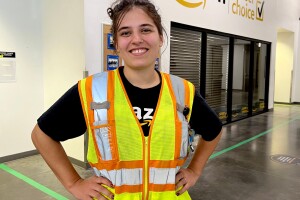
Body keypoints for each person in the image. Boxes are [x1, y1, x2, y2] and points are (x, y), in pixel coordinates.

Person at [31, 0, 223, 199]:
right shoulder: (92, 91)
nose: (136, 39)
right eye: (125, 32)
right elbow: (41, 135)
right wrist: (74, 182)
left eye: (146, 30)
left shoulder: (183, 91)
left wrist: (194, 170)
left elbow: (214, 130)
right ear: (115, 42)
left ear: (160, 37)